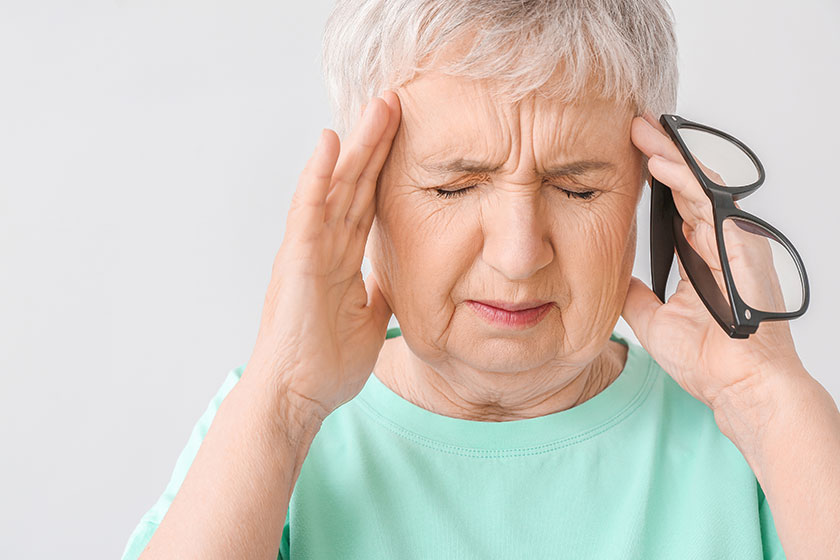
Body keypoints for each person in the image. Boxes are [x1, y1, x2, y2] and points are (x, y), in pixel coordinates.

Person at [122, 1, 840, 558]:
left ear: (652, 201)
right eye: (454, 186)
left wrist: (768, 400)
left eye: (577, 189)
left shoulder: (758, 445)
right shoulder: (267, 424)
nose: (520, 255)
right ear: (363, 198)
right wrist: (280, 406)